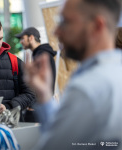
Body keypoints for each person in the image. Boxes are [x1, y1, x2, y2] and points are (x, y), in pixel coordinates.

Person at [24, 0, 122, 149]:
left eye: (65, 22)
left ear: (97, 26)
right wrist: (44, 96)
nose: (56, 32)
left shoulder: (87, 89)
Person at [15, 27, 56, 92]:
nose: (21, 42)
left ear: (31, 38)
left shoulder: (41, 55)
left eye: (23, 38)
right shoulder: (41, 53)